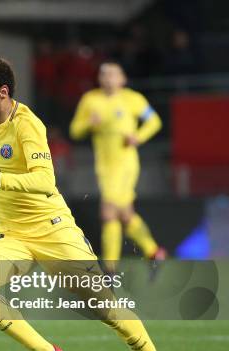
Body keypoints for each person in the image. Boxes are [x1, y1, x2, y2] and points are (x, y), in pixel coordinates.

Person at [0, 55, 177, 351]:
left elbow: (45, 181)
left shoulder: (28, 125)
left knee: (108, 309)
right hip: (11, 235)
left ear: (2, 93)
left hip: (53, 232)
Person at [70, 62, 166, 270]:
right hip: (104, 167)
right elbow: (75, 130)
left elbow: (154, 121)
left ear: (122, 79)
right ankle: (154, 252)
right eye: (104, 74)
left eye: (113, 74)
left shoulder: (133, 99)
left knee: (108, 212)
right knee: (125, 215)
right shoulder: (90, 100)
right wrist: (89, 124)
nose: (107, 78)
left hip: (126, 165)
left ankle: (109, 269)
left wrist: (138, 137)